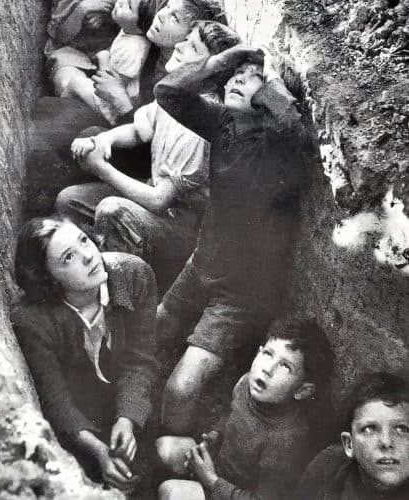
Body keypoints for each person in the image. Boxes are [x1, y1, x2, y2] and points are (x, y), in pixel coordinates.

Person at [154, 43, 309, 434]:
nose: (240, 81)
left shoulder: (276, 146)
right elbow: (168, 92)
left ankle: (170, 454)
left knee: (181, 388)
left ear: (268, 98)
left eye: (252, 78)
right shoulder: (224, 123)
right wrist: (218, 62)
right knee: (150, 332)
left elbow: (295, 130)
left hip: (241, 295)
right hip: (201, 265)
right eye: (236, 76)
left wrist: (268, 84)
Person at [55, 21, 240, 293]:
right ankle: (90, 269)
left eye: (192, 47)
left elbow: (160, 199)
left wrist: (100, 168)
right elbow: (139, 130)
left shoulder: (199, 125)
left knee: (112, 210)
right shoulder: (176, 95)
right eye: (185, 39)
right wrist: (104, 139)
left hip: (181, 227)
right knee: (69, 201)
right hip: (153, 200)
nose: (178, 46)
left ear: (209, 69)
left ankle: (123, 292)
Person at [10, 215, 159, 495]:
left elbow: (141, 361)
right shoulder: (32, 320)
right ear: (49, 279)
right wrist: (98, 451)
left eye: (83, 240)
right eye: (68, 257)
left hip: (127, 399)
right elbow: (55, 399)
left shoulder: (134, 275)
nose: (89, 255)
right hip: (80, 421)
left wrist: (127, 418)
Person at [156, 317, 334, 499]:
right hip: (219, 470)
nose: (268, 369)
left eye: (285, 366)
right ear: (259, 352)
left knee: (170, 492)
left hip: (233, 492)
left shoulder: (288, 442)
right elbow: (230, 414)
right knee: (164, 447)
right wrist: (215, 436)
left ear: (302, 390)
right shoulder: (245, 384)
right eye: (268, 354)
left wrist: (211, 481)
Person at [297, 372, 409, 500]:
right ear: (349, 444)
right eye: (369, 429)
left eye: (402, 429)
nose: (386, 441)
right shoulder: (327, 469)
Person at [53, 0, 154, 126]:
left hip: (110, 103)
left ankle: (61, 115)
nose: (121, 2)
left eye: (128, 5)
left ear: (140, 27)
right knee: (70, 81)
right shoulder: (128, 29)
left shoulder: (132, 48)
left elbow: (112, 84)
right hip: (97, 72)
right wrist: (84, 10)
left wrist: (104, 58)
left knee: (74, 83)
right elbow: (59, 36)